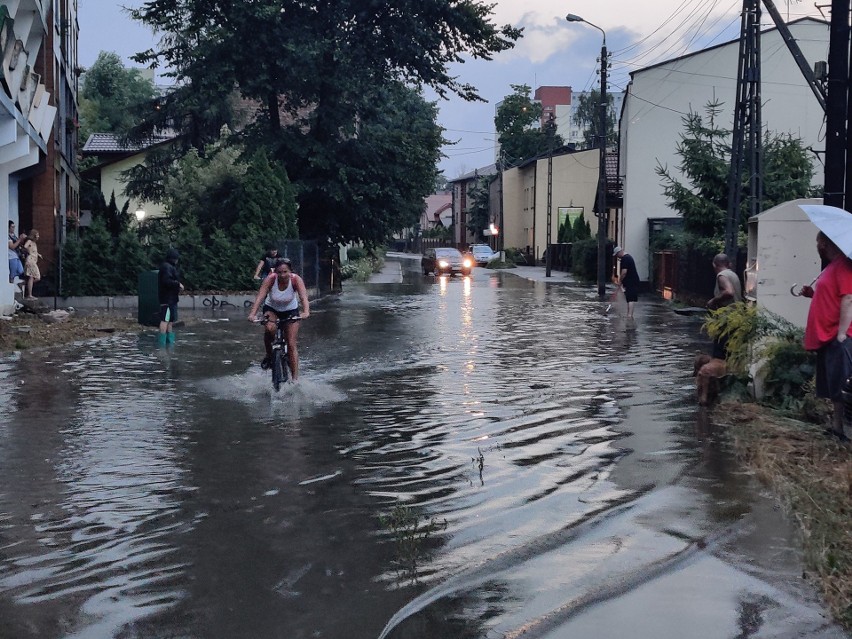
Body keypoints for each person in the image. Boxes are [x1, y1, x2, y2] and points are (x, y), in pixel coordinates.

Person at [801, 231, 852, 442]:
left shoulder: (844, 265)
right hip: (827, 336)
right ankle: (837, 427)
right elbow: (831, 295)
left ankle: (845, 432)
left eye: (819, 241)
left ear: (825, 243)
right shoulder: (833, 266)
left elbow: (848, 298)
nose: (818, 246)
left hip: (837, 337)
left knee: (842, 385)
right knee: (833, 385)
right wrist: (812, 294)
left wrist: (842, 333)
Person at [247, 257, 310, 381]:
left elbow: (303, 297)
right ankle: (270, 356)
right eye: (279, 272)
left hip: (291, 310)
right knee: (270, 328)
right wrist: (252, 314)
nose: (282, 275)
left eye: (285, 272)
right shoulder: (270, 279)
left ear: (290, 271)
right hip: (272, 309)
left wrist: (306, 312)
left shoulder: (296, 280)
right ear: (275, 272)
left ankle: (295, 379)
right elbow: (260, 296)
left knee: (291, 343)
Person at [695, 253, 743, 405]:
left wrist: (713, 300)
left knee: (720, 358)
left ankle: (708, 395)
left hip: (726, 322)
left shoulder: (721, 275)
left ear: (714, 265)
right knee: (729, 359)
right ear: (729, 264)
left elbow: (728, 292)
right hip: (737, 321)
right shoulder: (733, 274)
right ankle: (724, 391)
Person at [158, 248, 184, 346]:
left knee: (170, 321)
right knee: (165, 320)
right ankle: (162, 344)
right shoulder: (167, 267)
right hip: (167, 299)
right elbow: (166, 281)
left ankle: (169, 343)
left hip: (171, 299)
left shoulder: (168, 266)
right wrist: (178, 284)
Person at [613, 246, 639, 318]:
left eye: (617, 255)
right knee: (630, 298)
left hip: (631, 281)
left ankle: (629, 315)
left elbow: (624, 272)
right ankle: (629, 314)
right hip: (632, 281)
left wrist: (620, 281)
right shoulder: (628, 257)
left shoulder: (625, 259)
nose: (617, 257)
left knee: (630, 298)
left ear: (620, 252)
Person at [22, 229, 41, 301]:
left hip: (33, 261)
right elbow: (25, 246)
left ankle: (24, 284)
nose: (38, 236)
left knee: (34, 277)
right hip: (30, 261)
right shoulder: (30, 241)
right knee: (33, 277)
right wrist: (27, 252)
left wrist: (38, 254)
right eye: (37, 235)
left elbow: (33, 251)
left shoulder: (34, 243)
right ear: (34, 235)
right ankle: (29, 294)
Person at [7, 221, 26, 286]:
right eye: (12, 227)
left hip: (17, 255)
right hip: (11, 256)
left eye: (14, 227)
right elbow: (12, 246)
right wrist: (19, 239)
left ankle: (14, 281)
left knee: (21, 270)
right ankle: (10, 285)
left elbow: (18, 244)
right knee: (13, 273)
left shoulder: (13, 235)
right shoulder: (8, 236)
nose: (13, 228)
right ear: (8, 227)